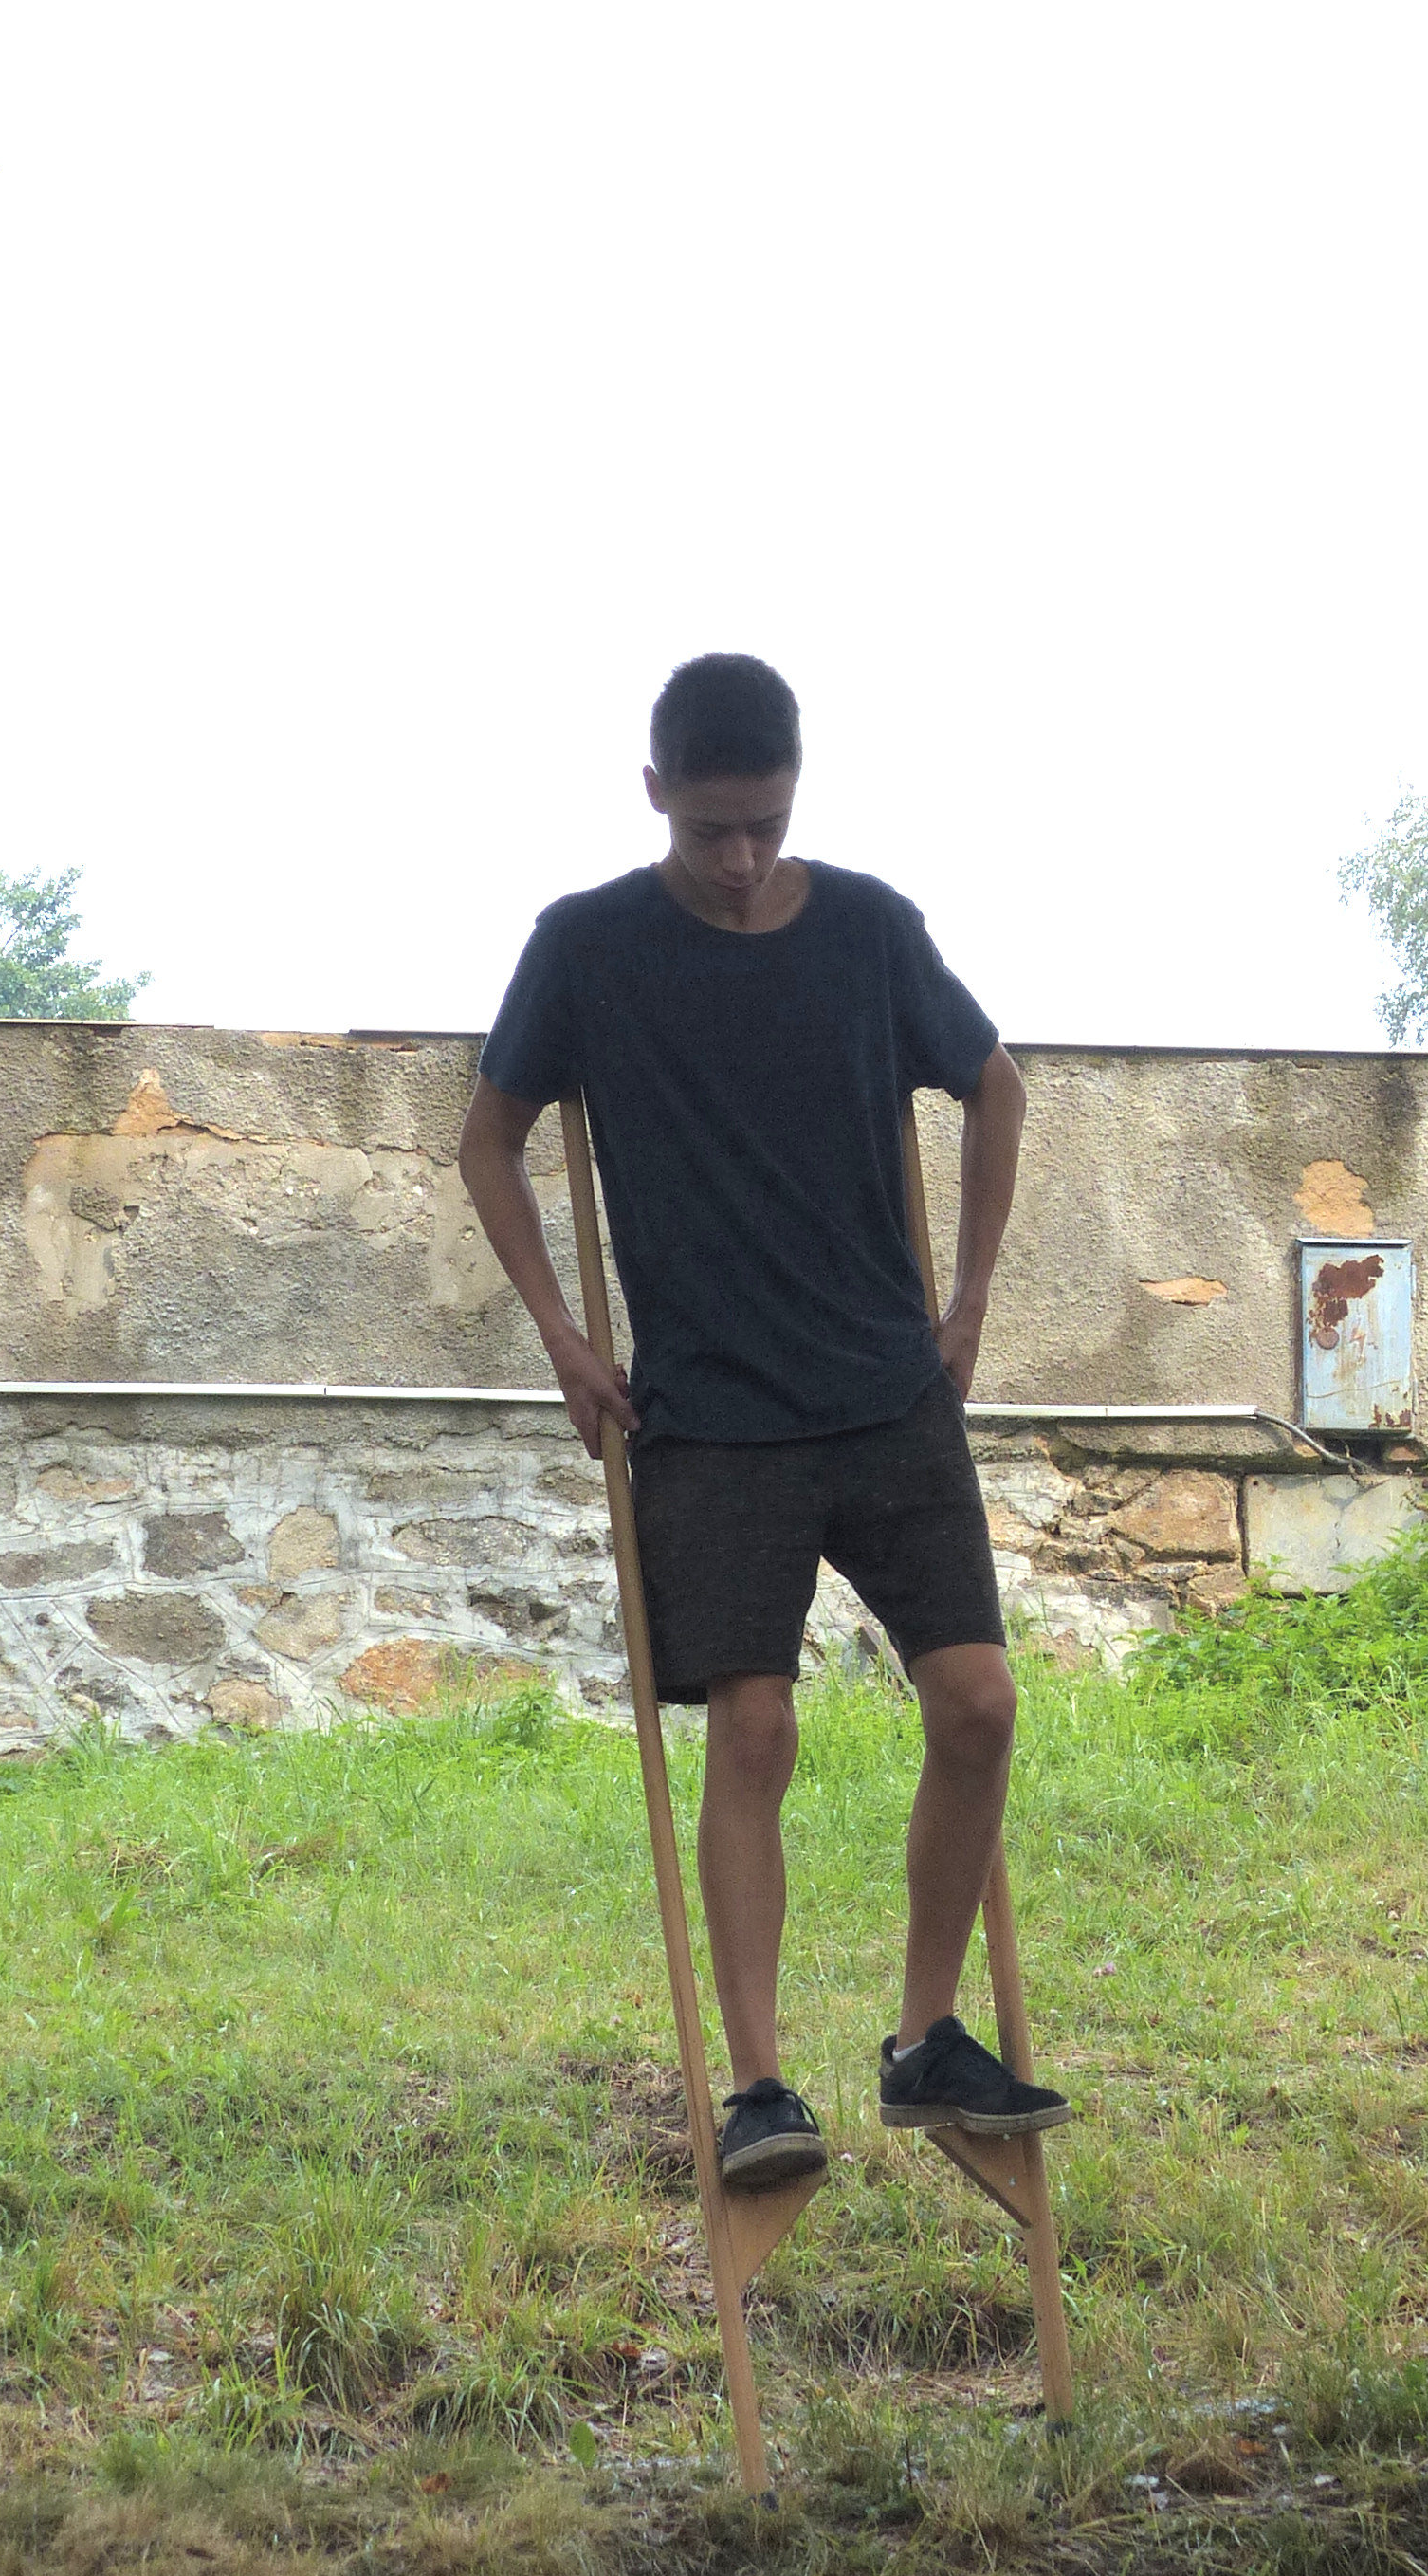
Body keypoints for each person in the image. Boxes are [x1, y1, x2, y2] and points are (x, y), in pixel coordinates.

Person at [457, 653, 1070, 2191]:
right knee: (756, 1726)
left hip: (888, 1393)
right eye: (710, 828)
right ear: (654, 793)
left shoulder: (869, 930)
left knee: (981, 1704)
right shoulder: (587, 947)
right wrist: (564, 1340)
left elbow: (995, 1088)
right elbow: (488, 1141)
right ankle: (758, 2090)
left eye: (767, 826)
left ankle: (926, 2042)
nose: (740, 860)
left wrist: (970, 1303)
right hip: (714, 1416)